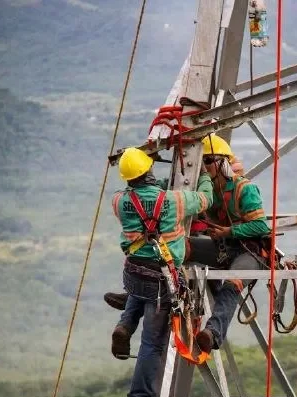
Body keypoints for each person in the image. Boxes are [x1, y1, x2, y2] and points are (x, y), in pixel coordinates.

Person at [105, 134, 271, 355]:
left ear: (223, 162)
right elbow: (165, 193)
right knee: (174, 249)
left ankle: (212, 333)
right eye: (203, 161)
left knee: (232, 284)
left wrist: (230, 231)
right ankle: (135, 297)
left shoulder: (244, 189)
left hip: (249, 250)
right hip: (221, 247)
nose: (205, 166)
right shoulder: (204, 187)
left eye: (210, 161)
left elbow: (261, 227)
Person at [109, 146, 213, 397]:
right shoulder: (175, 201)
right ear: (148, 171)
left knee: (136, 292)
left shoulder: (119, 201)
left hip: (134, 272)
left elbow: (142, 199)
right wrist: (203, 175)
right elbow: (204, 200)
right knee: (152, 344)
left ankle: (125, 324)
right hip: (161, 280)